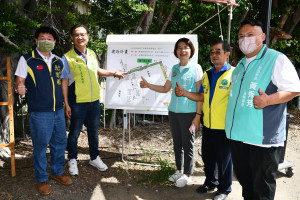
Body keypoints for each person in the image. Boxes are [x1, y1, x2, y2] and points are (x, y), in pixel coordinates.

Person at [225, 19, 300, 200]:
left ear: (262, 37)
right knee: (246, 183)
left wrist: (269, 100)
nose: (245, 39)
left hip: (262, 139)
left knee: (262, 187)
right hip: (238, 136)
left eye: (250, 35)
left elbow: (294, 89)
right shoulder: (240, 66)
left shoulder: (276, 59)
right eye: (241, 36)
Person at [61, 24, 126, 176]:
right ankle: (72, 160)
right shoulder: (67, 58)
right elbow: (64, 81)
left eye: (83, 34)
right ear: (72, 38)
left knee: (93, 132)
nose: (80, 37)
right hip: (77, 102)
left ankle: (94, 157)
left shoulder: (91, 53)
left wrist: (114, 73)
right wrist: (66, 103)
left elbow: (97, 71)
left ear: (88, 37)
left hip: (94, 101)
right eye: (76, 35)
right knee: (74, 134)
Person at [15, 26, 72, 195]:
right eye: (42, 38)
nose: (46, 41)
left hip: (58, 111)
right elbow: (20, 81)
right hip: (39, 112)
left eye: (49, 38)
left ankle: (57, 171)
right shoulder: (27, 60)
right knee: (40, 146)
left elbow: (63, 83)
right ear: (36, 41)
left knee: (60, 143)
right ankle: (42, 178)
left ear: (54, 42)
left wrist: (66, 104)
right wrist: (20, 87)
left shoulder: (59, 61)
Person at [140, 38, 203, 187]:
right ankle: (179, 170)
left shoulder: (196, 68)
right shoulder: (174, 68)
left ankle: (187, 174)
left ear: (191, 50)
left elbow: (201, 95)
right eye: (179, 48)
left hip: (189, 112)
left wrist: (197, 117)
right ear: (175, 52)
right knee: (177, 143)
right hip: (173, 112)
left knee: (188, 143)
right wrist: (148, 85)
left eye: (186, 47)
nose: (183, 50)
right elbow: (165, 88)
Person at [175, 40, 233, 200]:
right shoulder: (207, 74)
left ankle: (224, 189)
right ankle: (210, 182)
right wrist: (184, 93)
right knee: (208, 156)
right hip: (208, 124)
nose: (214, 55)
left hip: (225, 126)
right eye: (212, 52)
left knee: (224, 160)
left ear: (227, 54)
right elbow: (201, 96)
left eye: (218, 51)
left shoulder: (234, 74)